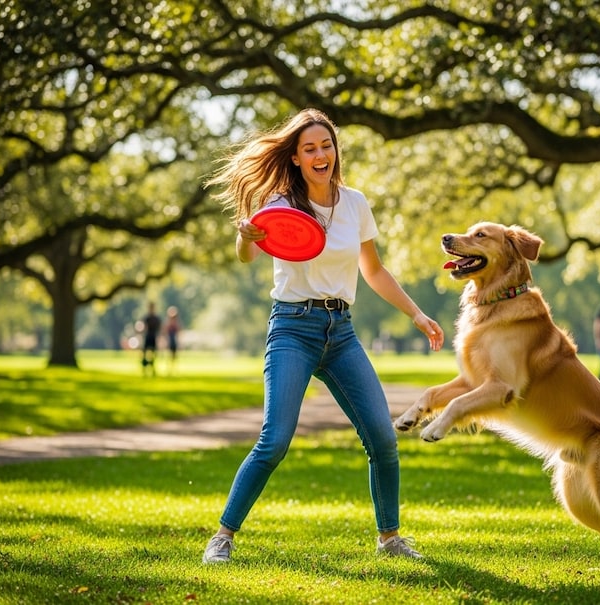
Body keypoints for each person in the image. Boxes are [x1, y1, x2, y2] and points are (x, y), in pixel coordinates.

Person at [201, 108, 445, 564]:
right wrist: (244, 237)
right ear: (295, 158)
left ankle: (390, 538)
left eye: (326, 146)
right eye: (309, 148)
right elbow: (246, 255)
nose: (320, 154)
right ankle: (223, 536)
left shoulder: (355, 203)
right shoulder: (282, 205)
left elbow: (372, 269)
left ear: (335, 151)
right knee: (274, 440)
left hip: (342, 333)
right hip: (293, 328)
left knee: (382, 438)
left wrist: (416, 313)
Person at [140, 302, 161, 375]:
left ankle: (152, 368)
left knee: (153, 354)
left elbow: (159, 329)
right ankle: (144, 368)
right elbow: (142, 327)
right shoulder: (147, 318)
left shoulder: (156, 318)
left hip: (153, 337)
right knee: (144, 354)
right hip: (147, 336)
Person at [164, 306, 181, 373]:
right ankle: (169, 369)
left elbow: (179, 331)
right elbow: (165, 331)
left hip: (174, 340)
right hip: (170, 340)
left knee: (174, 356)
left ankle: (173, 368)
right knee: (169, 355)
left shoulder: (176, 323)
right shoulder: (168, 322)